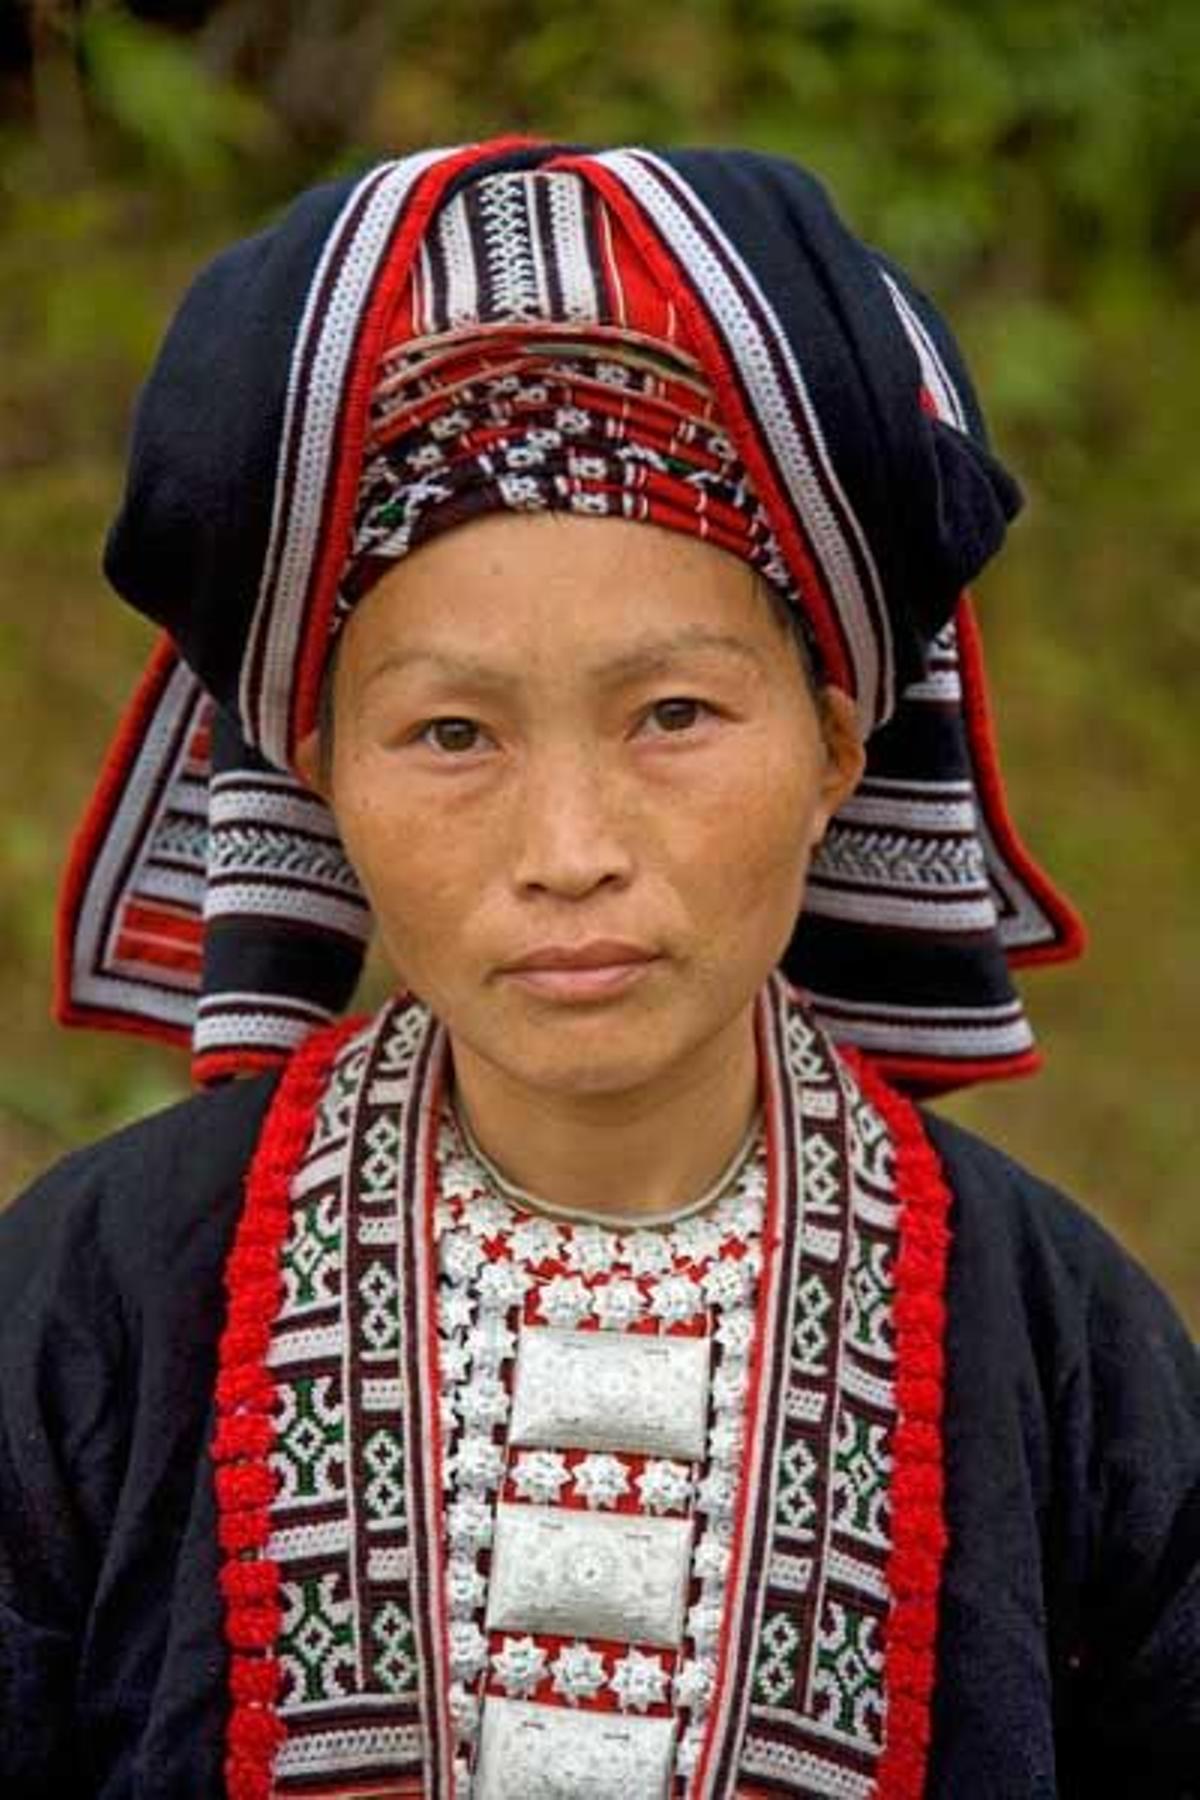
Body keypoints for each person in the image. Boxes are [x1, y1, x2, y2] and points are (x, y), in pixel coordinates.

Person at [1, 140, 1196, 1800]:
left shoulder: (1062, 1345)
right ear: (319, 771)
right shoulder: (93, 1299)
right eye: (448, 734)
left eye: (676, 716)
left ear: (837, 739)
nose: (569, 845)